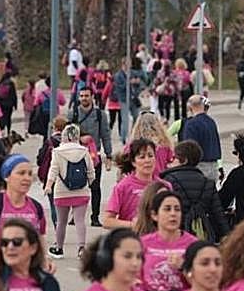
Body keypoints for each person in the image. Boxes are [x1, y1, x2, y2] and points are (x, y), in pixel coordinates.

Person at [161, 139, 230, 241]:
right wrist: (226, 235)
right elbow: (218, 213)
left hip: (176, 232)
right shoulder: (208, 183)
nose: (171, 161)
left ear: (184, 160)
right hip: (202, 233)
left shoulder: (168, 180)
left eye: (174, 158)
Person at [44, 123, 95, 257]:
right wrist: (89, 182)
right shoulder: (84, 151)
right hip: (81, 190)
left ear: (64, 136)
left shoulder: (57, 152)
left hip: (62, 191)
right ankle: (81, 249)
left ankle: (59, 248)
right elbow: (91, 171)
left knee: (61, 222)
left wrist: (48, 185)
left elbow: (53, 170)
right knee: (79, 220)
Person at [0, 218, 61, 291]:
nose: (10, 247)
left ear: (33, 248)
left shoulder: (48, 282)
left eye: (17, 242)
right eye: (5, 242)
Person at [137, 190, 198, 291]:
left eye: (177, 209)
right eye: (167, 209)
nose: (173, 214)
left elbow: (204, 284)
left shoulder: (194, 244)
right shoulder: (143, 243)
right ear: (154, 215)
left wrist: (183, 266)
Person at [69, 86, 113, 226]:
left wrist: (109, 154)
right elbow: (67, 135)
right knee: (76, 187)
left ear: (92, 97)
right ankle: (74, 216)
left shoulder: (100, 115)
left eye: (86, 96)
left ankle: (95, 217)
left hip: (94, 157)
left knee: (95, 187)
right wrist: (79, 138)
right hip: (76, 156)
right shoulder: (73, 114)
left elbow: (105, 135)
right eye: (81, 96)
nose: (84, 98)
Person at [102, 139, 167, 230]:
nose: (147, 160)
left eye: (150, 156)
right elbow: (107, 221)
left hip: (158, 241)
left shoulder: (164, 186)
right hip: (132, 239)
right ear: (133, 162)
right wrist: (133, 225)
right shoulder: (123, 186)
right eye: (142, 157)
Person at [178, 95, 221, 182]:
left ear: (190, 107)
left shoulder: (191, 124)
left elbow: (189, 148)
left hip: (199, 167)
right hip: (213, 166)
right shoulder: (211, 122)